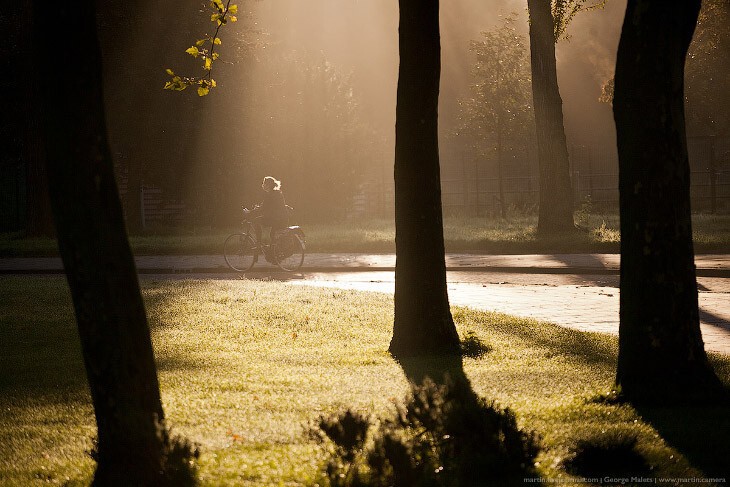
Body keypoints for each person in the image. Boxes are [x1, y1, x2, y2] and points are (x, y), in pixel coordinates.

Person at [250, 176, 288, 245]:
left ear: (268, 185)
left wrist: (250, 212)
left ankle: (258, 243)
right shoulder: (277, 193)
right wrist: (259, 208)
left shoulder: (270, 195)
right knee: (272, 234)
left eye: (264, 184)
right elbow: (268, 206)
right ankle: (272, 252)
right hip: (282, 218)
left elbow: (264, 207)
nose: (262, 185)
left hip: (276, 218)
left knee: (256, 221)